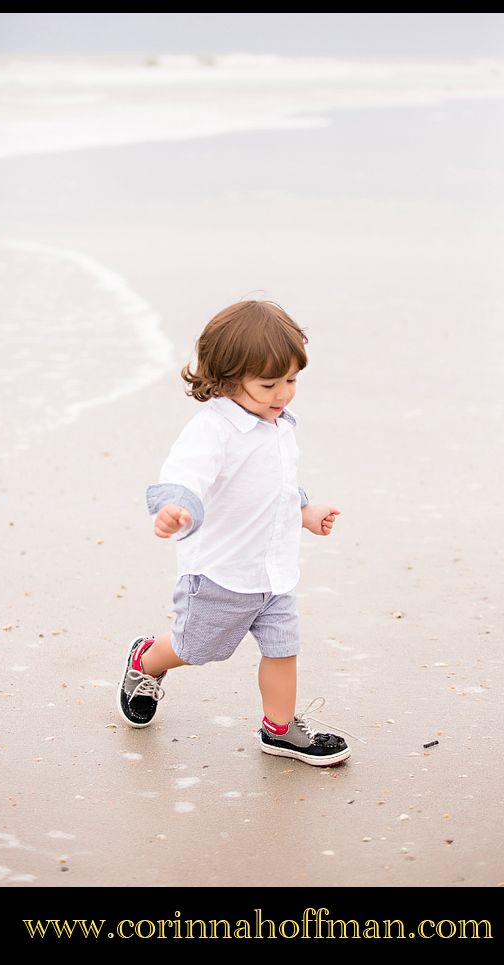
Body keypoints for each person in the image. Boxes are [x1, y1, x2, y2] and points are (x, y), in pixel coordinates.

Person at [117, 299, 351, 766]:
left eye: (291, 380)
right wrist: (175, 507)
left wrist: (305, 511)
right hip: (222, 574)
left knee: (284, 649)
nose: (283, 393)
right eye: (269, 384)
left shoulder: (279, 424)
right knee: (195, 649)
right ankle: (147, 660)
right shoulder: (213, 430)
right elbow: (185, 476)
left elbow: (276, 485)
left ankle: (280, 730)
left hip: (276, 574)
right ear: (226, 380)